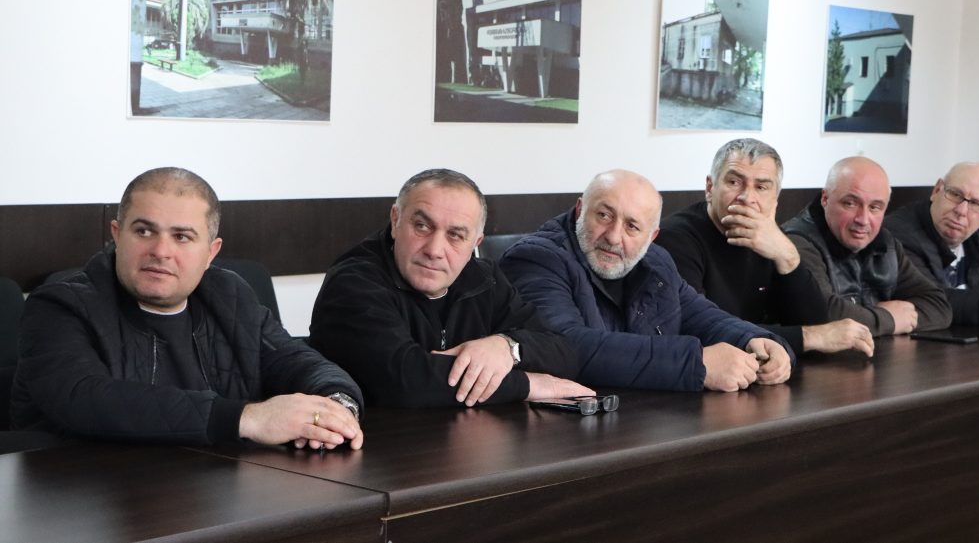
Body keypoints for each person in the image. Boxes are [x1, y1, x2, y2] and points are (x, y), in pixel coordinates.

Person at [12, 168, 364, 450]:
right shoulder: (59, 306)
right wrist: (248, 419)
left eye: (181, 237)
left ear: (211, 252)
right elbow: (86, 399)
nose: (161, 251)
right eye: (144, 231)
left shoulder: (231, 297)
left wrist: (335, 409)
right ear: (117, 235)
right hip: (89, 496)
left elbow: (299, 361)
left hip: (210, 491)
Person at [309, 168, 591, 408]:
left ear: (475, 244)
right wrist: (527, 384)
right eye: (422, 226)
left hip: (465, 442)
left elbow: (563, 352)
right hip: (372, 448)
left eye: (455, 235)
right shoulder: (353, 281)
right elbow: (406, 380)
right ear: (395, 221)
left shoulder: (485, 278)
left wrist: (507, 347)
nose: (434, 250)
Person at [500, 169, 794, 393]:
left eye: (632, 226)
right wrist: (697, 363)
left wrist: (755, 339)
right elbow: (563, 348)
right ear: (580, 210)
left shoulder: (655, 259)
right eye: (603, 216)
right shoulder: (535, 258)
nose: (614, 236)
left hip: (641, 421)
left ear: (651, 236)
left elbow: (699, 314)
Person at [656, 139, 874, 356]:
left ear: (775, 199)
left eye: (761, 187)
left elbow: (815, 322)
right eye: (734, 182)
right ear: (710, 188)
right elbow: (699, 331)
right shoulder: (676, 239)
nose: (747, 197)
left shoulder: (769, 237)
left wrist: (787, 255)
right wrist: (810, 337)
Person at [782, 157, 951, 335]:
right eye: (850, 203)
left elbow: (939, 306)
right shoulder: (796, 242)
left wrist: (878, 318)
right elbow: (823, 314)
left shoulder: (886, 244)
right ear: (825, 198)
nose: (863, 220)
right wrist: (889, 319)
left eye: (875, 207)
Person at [886, 162, 979, 327]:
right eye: (955, 194)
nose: (961, 211)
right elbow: (937, 302)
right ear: (937, 190)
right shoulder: (898, 235)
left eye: (976, 204)